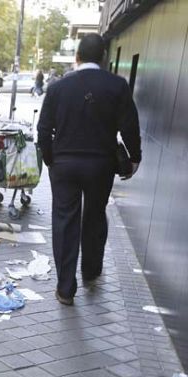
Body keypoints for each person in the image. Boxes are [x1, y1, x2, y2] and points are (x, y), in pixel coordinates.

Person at [37, 33, 141, 306]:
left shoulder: (58, 88)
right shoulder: (117, 86)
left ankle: (65, 288)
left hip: (65, 165)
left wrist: (51, 159)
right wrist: (134, 157)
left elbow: (44, 129)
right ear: (104, 58)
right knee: (94, 216)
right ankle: (91, 271)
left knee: (65, 220)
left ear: (77, 57)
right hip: (100, 165)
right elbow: (130, 125)